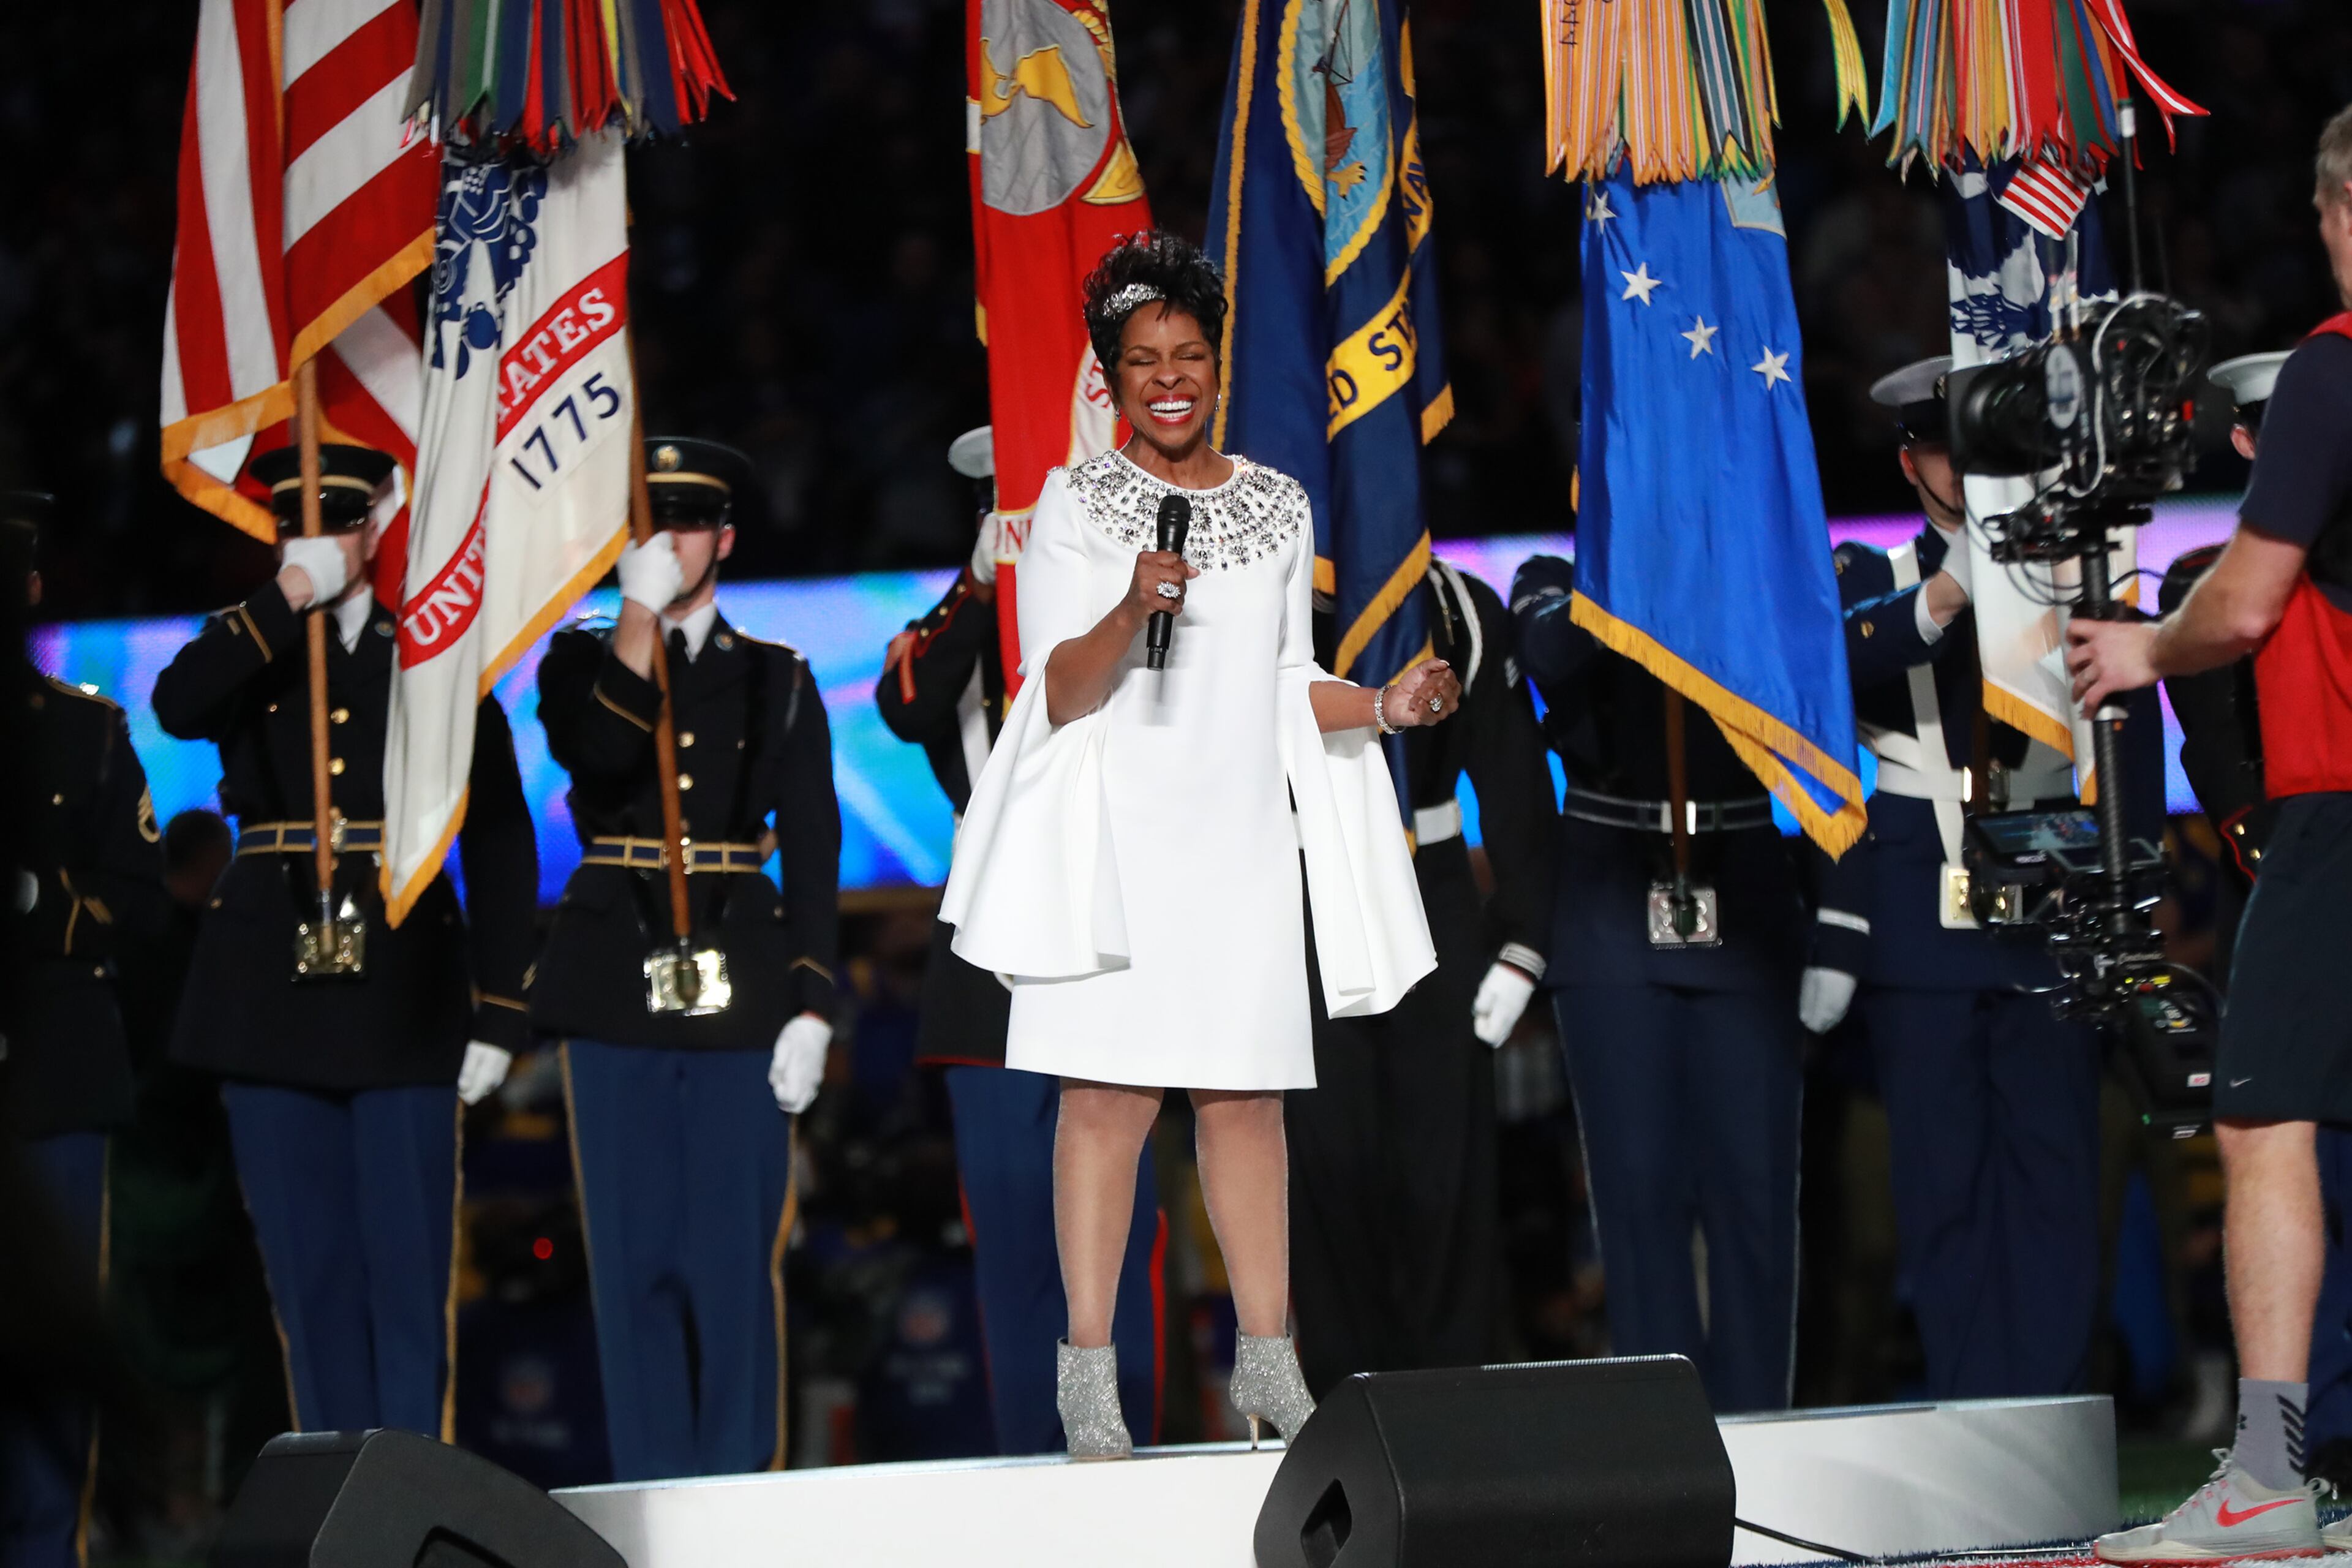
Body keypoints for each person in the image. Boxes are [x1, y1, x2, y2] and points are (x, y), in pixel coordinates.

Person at [938, 231, 1456, 1458]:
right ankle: (1088, 1373)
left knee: (1247, 1104)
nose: (1168, 378)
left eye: (1187, 357)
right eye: (1142, 361)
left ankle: (1271, 1366)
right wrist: (1134, 602)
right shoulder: (1071, 499)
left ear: (1215, 367)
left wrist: (1381, 707)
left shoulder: (1278, 505)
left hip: (1235, 850)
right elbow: (1056, 689)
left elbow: (1285, 683)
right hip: (1119, 849)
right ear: (1112, 379)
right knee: (1105, 1105)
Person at [2074, 105, 2352, 1562]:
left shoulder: (2333, 365)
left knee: (2258, 1120)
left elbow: (2242, 606)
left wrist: (2140, 653)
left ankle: (2263, 1472)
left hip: (2343, 812)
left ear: (2336, 211)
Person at [150, 443, 537, 1441]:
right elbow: (176, 706)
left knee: (408, 1283)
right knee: (309, 1285)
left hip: (403, 992)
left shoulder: (430, 655)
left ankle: (406, 1499)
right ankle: (335, 1509)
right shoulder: (247, 643)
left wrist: (500, 1006)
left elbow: (496, 835)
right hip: (268, 995)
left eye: (337, 524)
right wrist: (285, 596)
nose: (317, 541)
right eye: (295, 527)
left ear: (374, 527)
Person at [1800, 358, 2113, 1398]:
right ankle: (1978, 1412)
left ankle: (2059, 1403)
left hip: (2046, 897)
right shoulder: (1871, 569)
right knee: (1941, 1183)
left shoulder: (2062, 572)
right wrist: (1944, 593)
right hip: (1919, 904)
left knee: (2055, 1170)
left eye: (1979, 445)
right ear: (1909, 463)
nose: (1963, 468)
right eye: (1942, 448)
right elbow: (1828, 664)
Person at [532, 437, 839, 1483]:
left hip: (742, 981)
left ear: (726, 540)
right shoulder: (582, 658)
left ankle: (737, 1501)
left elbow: (814, 844)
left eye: (694, 521)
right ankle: (652, 1503)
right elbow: (605, 754)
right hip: (615, 977)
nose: (674, 539)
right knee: (633, 1267)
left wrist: (814, 1002)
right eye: (654, 523)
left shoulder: (778, 677)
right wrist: (636, 618)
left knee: (731, 1267)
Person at [876, 426, 1165, 1454]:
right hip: (993, 951)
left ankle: (1136, 1450)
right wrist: (983, 573)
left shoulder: (1137, 603)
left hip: (1110, 932)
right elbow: (905, 703)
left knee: (1125, 1226)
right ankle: (1029, 1465)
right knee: (1010, 1232)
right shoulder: (962, 620)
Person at [1510, 551, 1805, 1414]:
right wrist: (1635, 563)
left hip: (1743, 889)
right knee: (1638, 1198)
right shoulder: (1552, 577)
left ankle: (1761, 1424)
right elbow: (1552, 656)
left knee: (1755, 1194)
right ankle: (1665, 1431)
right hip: (1609, 902)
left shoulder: (1750, 561)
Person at [1286, 556, 1558, 1398]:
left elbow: (1513, 776)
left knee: (1448, 1180)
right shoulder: (1252, 589)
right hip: (1294, 893)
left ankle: (1454, 1425)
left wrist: (1524, 941)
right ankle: (1345, 1417)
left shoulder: (1457, 604)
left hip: (1429, 890)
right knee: (1326, 1175)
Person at [1, 489, 164, 1568]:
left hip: (52, 1078)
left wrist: (36, 904)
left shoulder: (85, 731)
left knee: (46, 1390)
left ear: (30, 591)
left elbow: (143, 905)